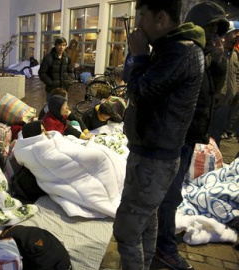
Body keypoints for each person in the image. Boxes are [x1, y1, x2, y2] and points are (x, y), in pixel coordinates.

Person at [112, 1, 205, 270]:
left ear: (161, 17)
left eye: (142, 16)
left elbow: (139, 91)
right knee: (147, 219)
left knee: (127, 230)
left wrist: (139, 54)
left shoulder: (179, 51)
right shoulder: (173, 47)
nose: (139, 23)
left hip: (154, 157)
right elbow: (136, 83)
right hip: (155, 153)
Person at [155, 3, 229, 270]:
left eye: (217, 31)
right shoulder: (184, 53)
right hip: (173, 140)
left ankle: (159, 241)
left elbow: (211, 95)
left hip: (187, 138)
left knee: (171, 195)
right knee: (169, 195)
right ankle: (162, 248)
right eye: (211, 29)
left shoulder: (203, 56)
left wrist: (219, 62)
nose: (214, 36)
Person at [209, 20, 239, 147]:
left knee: (217, 137)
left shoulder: (234, 55)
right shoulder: (215, 53)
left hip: (227, 104)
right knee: (209, 137)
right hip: (215, 104)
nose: (237, 37)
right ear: (226, 34)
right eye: (235, 33)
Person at [39, 37, 74, 101]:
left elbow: (71, 71)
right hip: (52, 90)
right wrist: (50, 83)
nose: (62, 47)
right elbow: (42, 73)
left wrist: (69, 81)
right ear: (55, 45)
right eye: (59, 45)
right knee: (51, 108)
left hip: (64, 89)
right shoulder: (48, 58)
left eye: (64, 45)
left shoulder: (67, 58)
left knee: (63, 108)